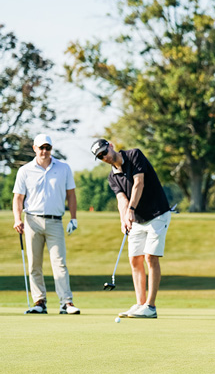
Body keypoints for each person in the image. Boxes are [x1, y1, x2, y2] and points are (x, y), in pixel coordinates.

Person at [91, 138, 171, 318]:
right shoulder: (112, 177)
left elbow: (138, 183)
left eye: (105, 152)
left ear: (111, 146)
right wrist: (123, 219)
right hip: (136, 220)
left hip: (157, 214)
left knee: (150, 258)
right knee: (135, 260)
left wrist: (131, 210)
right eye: (100, 156)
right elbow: (121, 200)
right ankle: (140, 303)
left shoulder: (134, 155)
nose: (104, 157)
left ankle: (150, 307)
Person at [12, 134, 80, 315]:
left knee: (59, 263)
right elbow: (18, 198)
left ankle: (66, 303)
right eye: (41, 148)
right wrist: (17, 219)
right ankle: (39, 301)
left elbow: (71, 194)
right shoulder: (25, 170)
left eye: (47, 148)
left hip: (55, 221)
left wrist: (73, 218)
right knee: (34, 264)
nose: (44, 151)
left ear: (51, 148)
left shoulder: (63, 168)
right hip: (32, 221)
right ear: (34, 148)